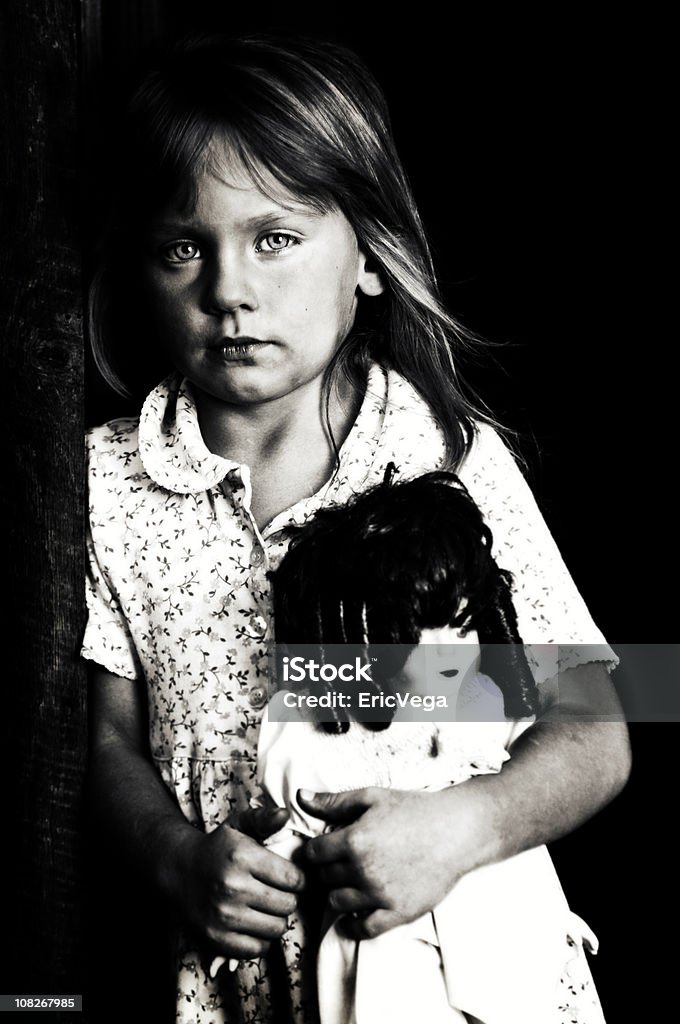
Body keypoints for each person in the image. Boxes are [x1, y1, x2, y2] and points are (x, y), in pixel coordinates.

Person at [83, 32, 630, 1024]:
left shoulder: (444, 456)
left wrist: (462, 824)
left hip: (449, 970)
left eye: (274, 238)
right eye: (181, 247)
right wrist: (173, 856)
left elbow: (595, 723)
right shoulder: (113, 481)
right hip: (242, 984)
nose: (229, 289)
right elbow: (108, 739)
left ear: (366, 257)